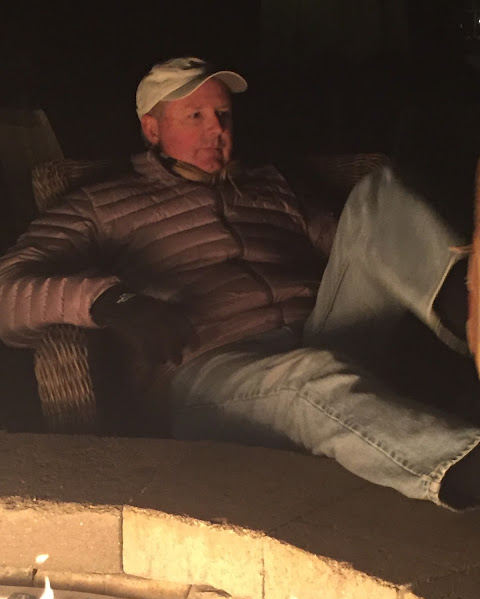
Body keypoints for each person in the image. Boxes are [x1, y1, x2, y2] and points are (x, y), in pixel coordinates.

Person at [0, 56, 479, 509]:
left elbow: (363, 244)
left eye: (223, 114)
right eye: (195, 116)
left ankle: (474, 315)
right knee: (309, 378)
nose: (217, 129)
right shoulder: (99, 204)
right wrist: (112, 301)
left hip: (318, 333)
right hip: (207, 368)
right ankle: (464, 470)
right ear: (152, 128)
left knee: (378, 193)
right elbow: (9, 289)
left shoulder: (268, 185)